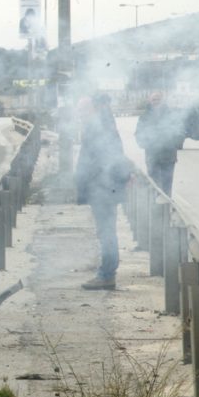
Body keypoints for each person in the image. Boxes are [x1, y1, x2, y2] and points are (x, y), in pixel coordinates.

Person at [76, 94, 132, 290]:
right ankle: (106, 272)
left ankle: (107, 274)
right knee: (105, 231)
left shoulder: (98, 127)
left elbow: (107, 158)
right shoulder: (99, 125)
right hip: (102, 187)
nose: (79, 114)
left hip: (103, 188)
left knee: (107, 232)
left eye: (82, 110)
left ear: (93, 109)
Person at [134, 92, 183, 196]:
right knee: (153, 184)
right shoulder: (144, 116)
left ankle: (167, 204)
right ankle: (155, 207)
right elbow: (138, 133)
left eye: (158, 99)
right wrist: (145, 144)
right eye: (154, 100)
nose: (156, 102)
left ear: (163, 101)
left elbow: (180, 132)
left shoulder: (171, 114)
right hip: (152, 156)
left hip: (168, 156)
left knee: (167, 184)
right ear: (149, 101)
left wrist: (175, 144)